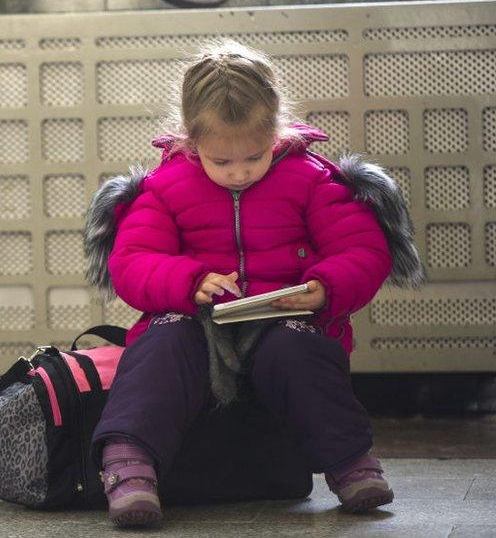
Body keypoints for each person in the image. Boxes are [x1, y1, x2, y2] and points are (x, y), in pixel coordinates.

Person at [82, 40, 425, 527]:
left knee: (301, 350)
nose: (239, 172)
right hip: (195, 324)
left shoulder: (312, 179)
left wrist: (325, 286)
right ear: (191, 139)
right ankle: (128, 462)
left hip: (282, 321)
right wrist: (189, 280)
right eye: (221, 162)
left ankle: (348, 460)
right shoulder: (164, 188)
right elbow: (133, 261)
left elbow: (363, 251)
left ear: (276, 131)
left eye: (254, 156)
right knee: (161, 343)